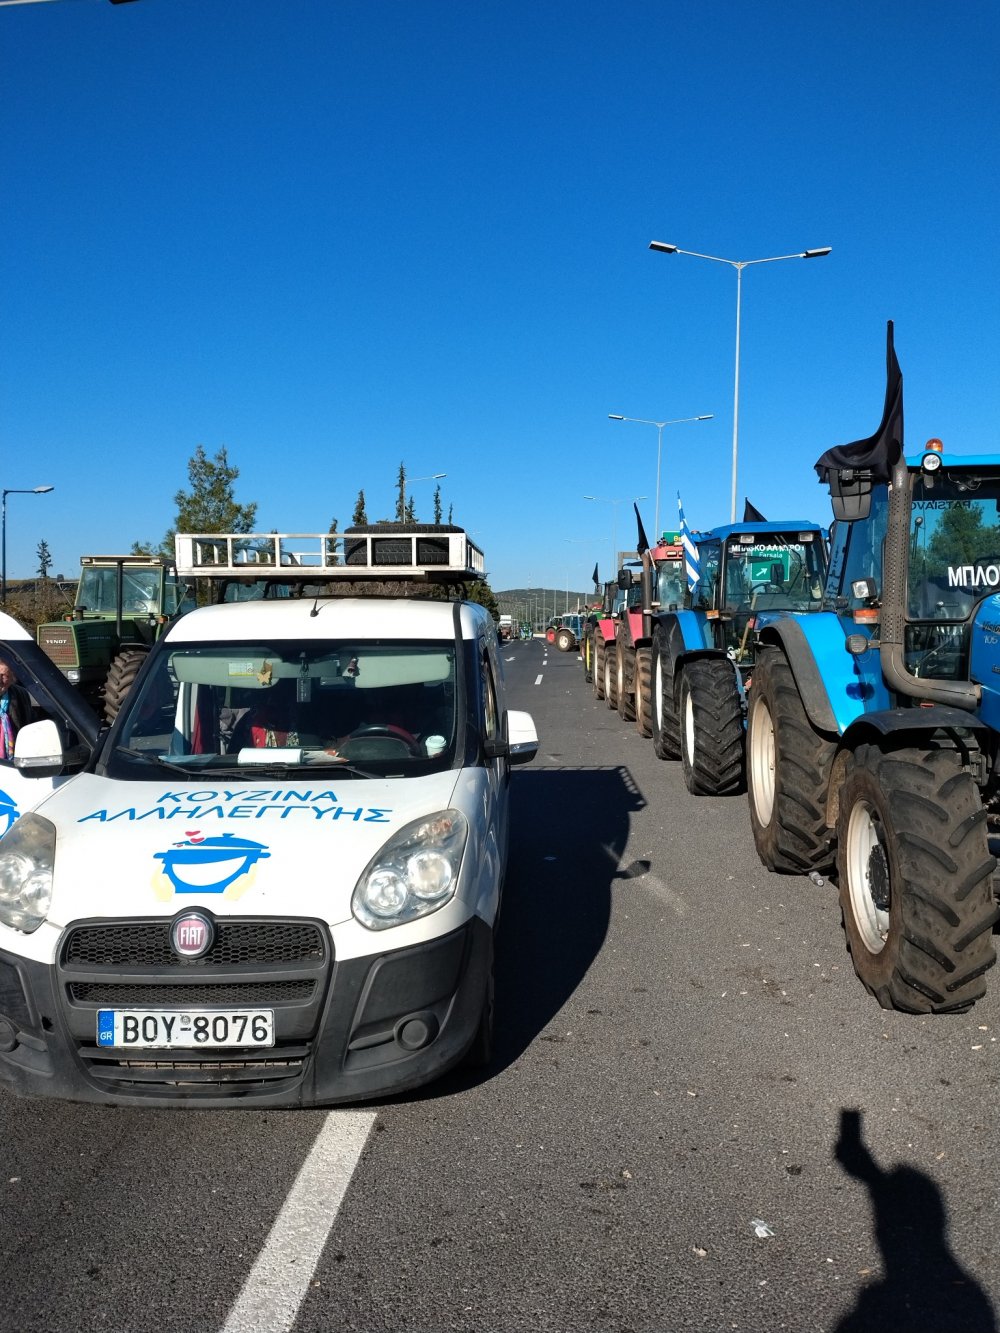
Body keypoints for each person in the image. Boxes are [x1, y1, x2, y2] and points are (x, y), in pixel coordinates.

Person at [0, 659, 33, 761]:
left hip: (13, 762)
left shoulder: (20, 694)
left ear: (12, 678)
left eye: (3, 676)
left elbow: (27, 725)